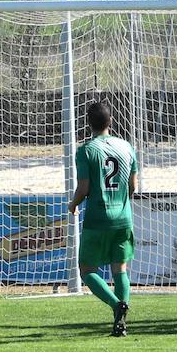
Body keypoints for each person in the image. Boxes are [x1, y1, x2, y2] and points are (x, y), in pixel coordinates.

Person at [67, 101, 137, 337]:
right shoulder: (126, 147)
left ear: (88, 124)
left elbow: (84, 187)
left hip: (98, 218)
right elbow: (133, 186)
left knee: (87, 270)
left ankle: (117, 306)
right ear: (111, 122)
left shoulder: (86, 150)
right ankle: (121, 320)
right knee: (120, 269)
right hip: (123, 217)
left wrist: (73, 204)